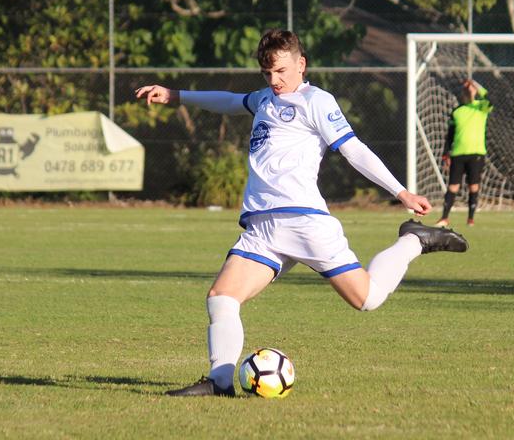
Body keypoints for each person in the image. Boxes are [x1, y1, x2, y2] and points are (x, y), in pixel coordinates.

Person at [136, 29, 468, 397]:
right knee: (221, 296)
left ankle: (413, 241)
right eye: (267, 73)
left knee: (367, 299)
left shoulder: (316, 101)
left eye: (281, 71)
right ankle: (219, 381)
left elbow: (353, 149)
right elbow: (229, 100)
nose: (274, 80)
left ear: (301, 64)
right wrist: (175, 94)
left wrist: (400, 192)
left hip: (303, 221)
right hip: (263, 228)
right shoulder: (263, 99)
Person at [436, 79, 492, 228]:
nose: (469, 90)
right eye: (467, 88)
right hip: (458, 154)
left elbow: (491, 98)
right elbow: (450, 135)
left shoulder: (481, 107)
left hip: (476, 154)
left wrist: (476, 84)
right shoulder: (457, 112)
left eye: (471, 88)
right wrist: (445, 154)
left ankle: (470, 219)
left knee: (473, 186)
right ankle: (444, 218)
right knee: (453, 186)